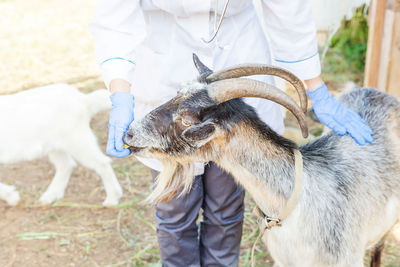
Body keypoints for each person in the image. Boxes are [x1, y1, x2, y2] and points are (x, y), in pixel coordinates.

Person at [89, 1, 373, 266]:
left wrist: (315, 88)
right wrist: (120, 93)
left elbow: (287, 7)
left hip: (236, 50)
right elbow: (114, 17)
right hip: (165, 60)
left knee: (225, 209)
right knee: (175, 212)